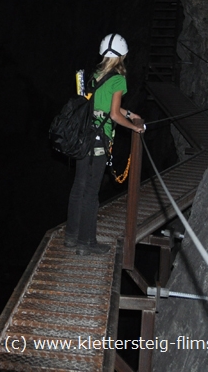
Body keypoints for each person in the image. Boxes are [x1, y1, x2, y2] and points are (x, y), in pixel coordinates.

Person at [65, 33, 146, 256]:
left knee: (79, 186)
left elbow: (107, 107)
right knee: (91, 191)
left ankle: (72, 237)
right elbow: (113, 114)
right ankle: (86, 242)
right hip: (99, 139)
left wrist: (130, 113)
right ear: (122, 56)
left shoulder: (95, 75)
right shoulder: (119, 80)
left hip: (84, 135)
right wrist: (134, 127)